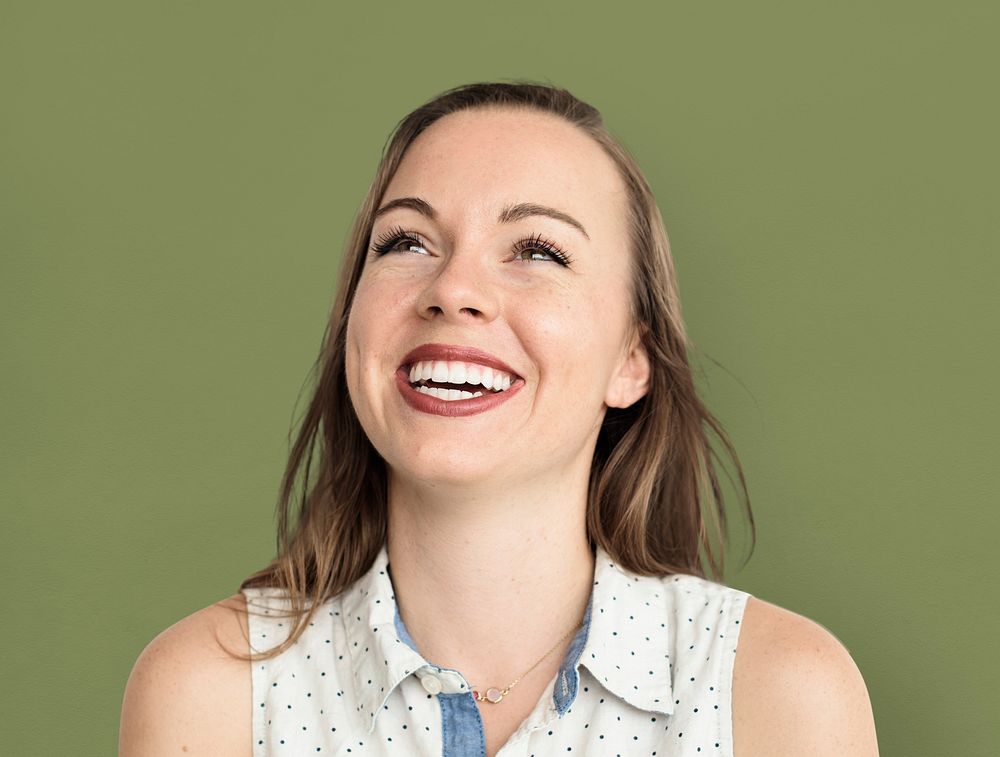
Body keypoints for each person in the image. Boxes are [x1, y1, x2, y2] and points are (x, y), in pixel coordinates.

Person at [119, 82, 879, 756]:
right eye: (406, 241)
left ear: (632, 358)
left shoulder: (779, 695)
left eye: (538, 250)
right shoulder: (212, 692)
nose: (453, 289)